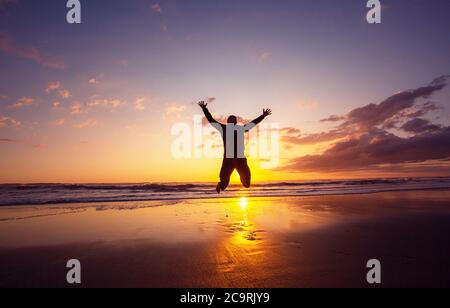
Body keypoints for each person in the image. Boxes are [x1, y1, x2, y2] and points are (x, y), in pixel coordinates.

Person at [198, 101, 272, 194]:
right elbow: (211, 120)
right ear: (228, 121)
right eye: (230, 119)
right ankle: (219, 184)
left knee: (247, 184)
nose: (232, 120)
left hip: (240, 159)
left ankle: (242, 177)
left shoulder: (241, 129)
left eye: (233, 119)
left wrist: (263, 116)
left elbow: (252, 123)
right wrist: (204, 109)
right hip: (228, 160)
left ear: (236, 122)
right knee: (223, 185)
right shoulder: (223, 128)